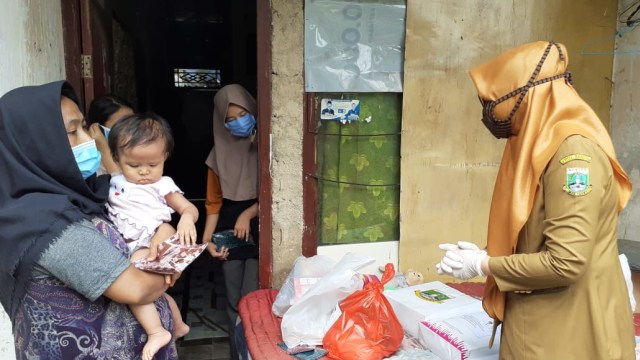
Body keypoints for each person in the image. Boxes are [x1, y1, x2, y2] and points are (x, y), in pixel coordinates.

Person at [436, 41, 635, 359]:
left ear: (531, 97)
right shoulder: (536, 146)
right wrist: (489, 252)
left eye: (495, 100)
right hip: (541, 319)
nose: (489, 112)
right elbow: (535, 229)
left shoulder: (573, 156)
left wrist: (483, 265)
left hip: (566, 330)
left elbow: (566, 261)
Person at [0, 80, 179, 359]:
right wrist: (173, 260)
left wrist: (164, 229)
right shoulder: (48, 224)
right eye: (72, 131)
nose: (88, 140)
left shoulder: (79, 199)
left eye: (85, 127)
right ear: (34, 143)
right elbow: (138, 288)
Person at [107, 112, 198, 360]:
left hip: (150, 245)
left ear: (165, 157)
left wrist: (187, 218)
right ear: (117, 159)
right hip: (130, 244)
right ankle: (178, 325)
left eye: (153, 165)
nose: (144, 172)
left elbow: (188, 208)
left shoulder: (162, 184)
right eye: (134, 166)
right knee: (155, 292)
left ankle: (156, 330)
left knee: (134, 284)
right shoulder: (114, 180)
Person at [202, 84, 259, 360]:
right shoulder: (217, 155)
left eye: (242, 114)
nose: (238, 122)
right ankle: (237, 354)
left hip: (260, 227)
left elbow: (276, 193)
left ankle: (255, 352)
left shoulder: (265, 146)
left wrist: (248, 214)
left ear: (253, 108)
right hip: (228, 230)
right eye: (230, 119)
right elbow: (213, 204)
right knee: (234, 299)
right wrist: (206, 242)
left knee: (252, 298)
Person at [87, 94, 135, 175]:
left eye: (134, 124)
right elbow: (122, 185)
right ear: (99, 129)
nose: (130, 130)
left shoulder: (140, 151)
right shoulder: (90, 164)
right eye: (121, 125)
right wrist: (104, 150)